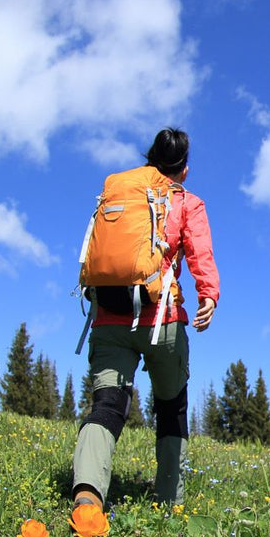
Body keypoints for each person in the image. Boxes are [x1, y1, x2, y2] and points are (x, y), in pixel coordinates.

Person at [71, 128, 219, 510]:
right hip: (163, 320)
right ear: (183, 170)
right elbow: (200, 254)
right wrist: (209, 296)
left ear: (150, 159)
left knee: (106, 406)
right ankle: (170, 504)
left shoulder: (119, 192)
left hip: (108, 317)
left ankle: (87, 496)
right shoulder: (186, 201)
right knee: (172, 408)